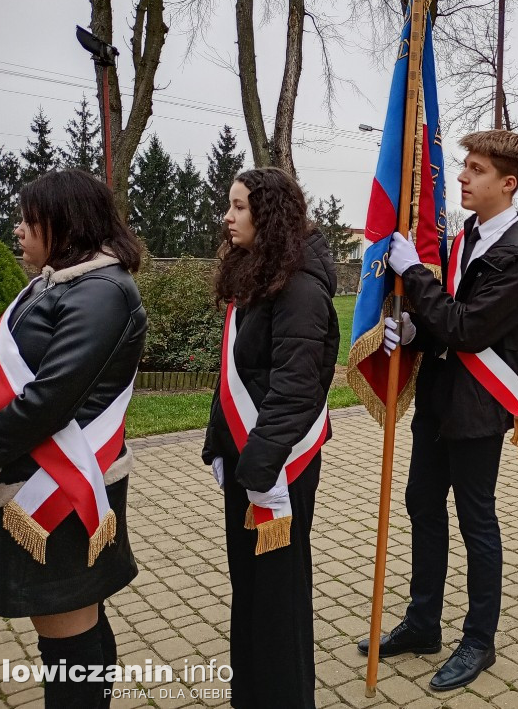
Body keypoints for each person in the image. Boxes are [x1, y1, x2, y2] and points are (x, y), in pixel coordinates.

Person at [360, 130, 518, 691]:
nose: (462, 178)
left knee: (477, 520)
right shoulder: (464, 235)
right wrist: (411, 331)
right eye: (464, 167)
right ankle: (423, 623)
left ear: (508, 183)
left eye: (475, 170)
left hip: (480, 405)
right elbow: (446, 318)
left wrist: (414, 274)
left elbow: (469, 327)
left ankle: (479, 640)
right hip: (441, 398)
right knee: (422, 502)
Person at [0, 169, 146, 708]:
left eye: (28, 219)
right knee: (72, 627)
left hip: (59, 489)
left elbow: (50, 399)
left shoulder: (102, 292)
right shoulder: (62, 281)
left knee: (68, 634)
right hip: (41, 478)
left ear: (63, 222)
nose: (18, 230)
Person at [202, 167, 340, 708]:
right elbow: (232, 372)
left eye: (238, 208)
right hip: (250, 459)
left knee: (279, 593)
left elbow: (294, 389)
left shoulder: (300, 286)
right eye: (230, 205)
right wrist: (220, 443)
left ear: (269, 215)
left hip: (280, 467)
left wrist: (258, 468)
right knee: (250, 585)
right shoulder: (256, 273)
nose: (227, 217)